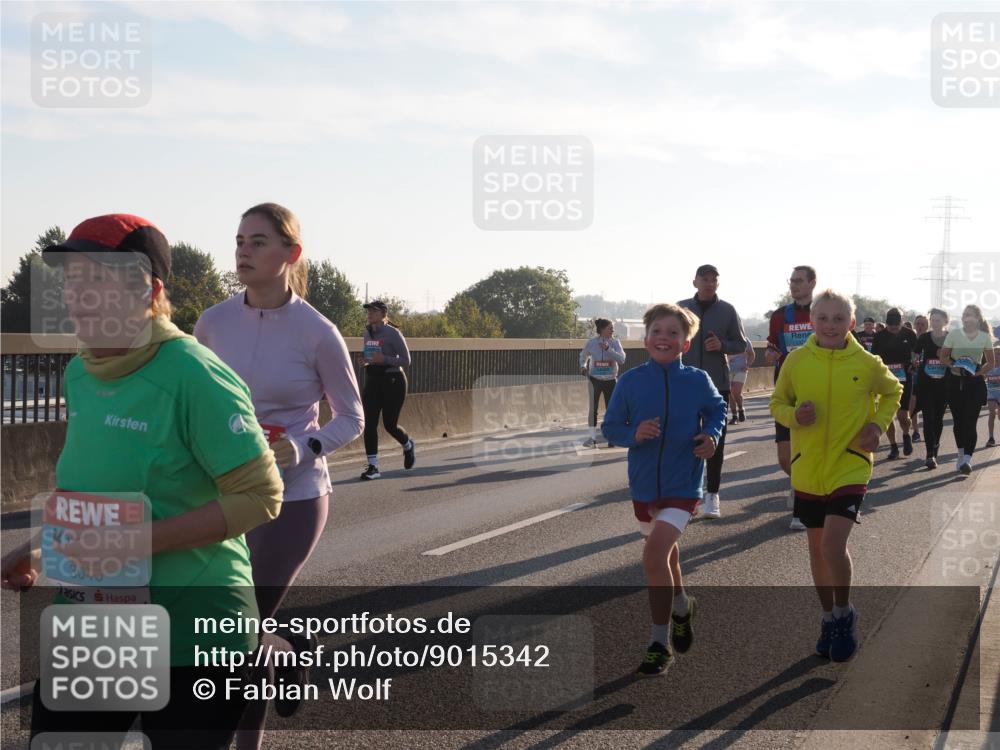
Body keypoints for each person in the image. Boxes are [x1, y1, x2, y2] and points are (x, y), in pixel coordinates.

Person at [2, 214, 284, 749]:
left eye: (98, 281)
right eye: (72, 282)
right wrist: (37, 549)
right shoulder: (82, 372)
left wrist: (137, 542)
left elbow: (261, 496)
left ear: (149, 292)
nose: (78, 297)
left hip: (194, 633)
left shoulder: (195, 374)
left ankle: (266, 650)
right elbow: (89, 489)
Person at [194, 202, 365, 748]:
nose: (243, 250)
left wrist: (302, 446)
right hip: (224, 494)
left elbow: (352, 417)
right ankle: (285, 651)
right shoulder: (213, 322)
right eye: (240, 239)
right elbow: (192, 400)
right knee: (233, 625)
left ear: (289, 255)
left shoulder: (318, 332)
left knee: (236, 632)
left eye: (258, 241)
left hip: (293, 498)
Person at [770, 290, 901, 662]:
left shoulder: (867, 361)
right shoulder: (796, 361)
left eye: (838, 319)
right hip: (808, 467)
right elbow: (777, 403)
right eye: (823, 318)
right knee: (816, 551)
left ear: (852, 324)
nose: (830, 325)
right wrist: (795, 417)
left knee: (832, 546)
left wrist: (876, 425)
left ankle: (844, 614)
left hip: (851, 463)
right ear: (812, 321)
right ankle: (827, 617)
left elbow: (893, 392)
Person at [602, 303, 726, 676]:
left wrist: (712, 436)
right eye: (658, 331)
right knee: (666, 557)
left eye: (674, 333)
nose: (664, 338)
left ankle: (659, 643)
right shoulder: (630, 381)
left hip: (684, 484)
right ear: (645, 338)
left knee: (655, 556)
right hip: (643, 485)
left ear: (685, 344)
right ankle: (683, 606)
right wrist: (633, 434)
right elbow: (611, 428)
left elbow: (717, 410)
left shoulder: (697, 380)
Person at [678, 264, 750, 519]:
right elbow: (670, 337)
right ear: (694, 282)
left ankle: (713, 495)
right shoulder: (681, 308)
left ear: (718, 284)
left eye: (713, 280)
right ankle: (691, 495)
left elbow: (740, 343)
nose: (709, 283)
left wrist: (722, 345)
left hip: (716, 384)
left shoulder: (727, 310)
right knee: (686, 439)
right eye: (704, 279)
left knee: (714, 441)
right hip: (684, 382)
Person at [766, 265, 817, 531]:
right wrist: (771, 355)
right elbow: (772, 346)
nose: (793, 285)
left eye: (799, 280)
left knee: (809, 452)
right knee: (786, 459)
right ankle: (801, 485)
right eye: (791, 281)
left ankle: (803, 503)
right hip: (787, 393)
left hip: (816, 391)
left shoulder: (823, 313)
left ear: (812, 283)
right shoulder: (779, 316)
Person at [359, 300, 414, 480]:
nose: (369, 314)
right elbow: (370, 356)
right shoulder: (367, 332)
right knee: (370, 423)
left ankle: (407, 445)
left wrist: (385, 358)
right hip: (373, 380)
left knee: (390, 425)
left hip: (393, 381)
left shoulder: (393, 333)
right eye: (368, 311)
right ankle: (373, 467)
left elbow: (406, 360)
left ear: (383, 314)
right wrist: (366, 360)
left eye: (373, 311)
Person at [940, 305, 996, 474]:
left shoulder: (984, 337)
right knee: (959, 422)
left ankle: (967, 460)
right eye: (964, 315)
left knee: (970, 422)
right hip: (955, 381)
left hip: (975, 383)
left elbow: (991, 362)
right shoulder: (954, 334)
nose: (967, 317)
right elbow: (943, 357)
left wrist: (979, 372)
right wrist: (954, 364)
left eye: (970, 315)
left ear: (977, 318)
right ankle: (960, 453)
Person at [870, 308, 918, 460]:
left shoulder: (910, 334)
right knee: (888, 415)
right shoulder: (879, 337)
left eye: (896, 327)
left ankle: (906, 435)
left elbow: (917, 353)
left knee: (903, 415)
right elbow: (874, 358)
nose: (894, 329)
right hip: (885, 379)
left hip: (905, 378)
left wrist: (915, 362)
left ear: (901, 323)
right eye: (891, 327)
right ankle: (893, 446)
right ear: (886, 324)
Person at [914, 309, 952, 469]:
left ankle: (935, 448)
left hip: (944, 384)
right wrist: (915, 361)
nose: (935, 322)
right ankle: (930, 454)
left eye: (938, 320)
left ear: (945, 321)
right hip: (926, 383)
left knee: (938, 419)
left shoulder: (951, 338)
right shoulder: (924, 337)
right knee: (928, 418)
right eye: (933, 319)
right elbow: (915, 354)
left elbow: (958, 357)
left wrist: (947, 358)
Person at [579, 318, 626, 448]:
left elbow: (622, 360)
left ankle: (611, 437)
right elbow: (583, 356)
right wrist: (583, 366)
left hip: (611, 380)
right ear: (602, 330)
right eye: (610, 328)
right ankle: (592, 438)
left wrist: (608, 349)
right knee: (593, 410)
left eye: (613, 328)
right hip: (595, 379)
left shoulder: (615, 343)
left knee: (611, 410)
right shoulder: (592, 343)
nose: (613, 330)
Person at [910, 315, 929, 442]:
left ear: (927, 326)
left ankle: (928, 430)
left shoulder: (930, 339)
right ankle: (915, 431)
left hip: (928, 378)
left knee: (927, 406)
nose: (920, 326)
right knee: (913, 404)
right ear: (914, 325)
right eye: (918, 323)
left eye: (923, 324)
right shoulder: (910, 340)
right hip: (913, 376)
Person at [728, 339, 756, 425]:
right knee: (730, 394)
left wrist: (747, 365)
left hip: (741, 370)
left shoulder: (745, 340)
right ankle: (734, 416)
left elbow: (752, 354)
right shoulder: (725, 339)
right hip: (727, 370)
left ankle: (740, 409)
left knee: (736, 392)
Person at [986, 343, 1000, 448]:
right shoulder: (988, 365)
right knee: (992, 413)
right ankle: (991, 438)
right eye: (994, 354)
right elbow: (982, 376)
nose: (996, 356)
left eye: (999, 354)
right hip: (991, 392)